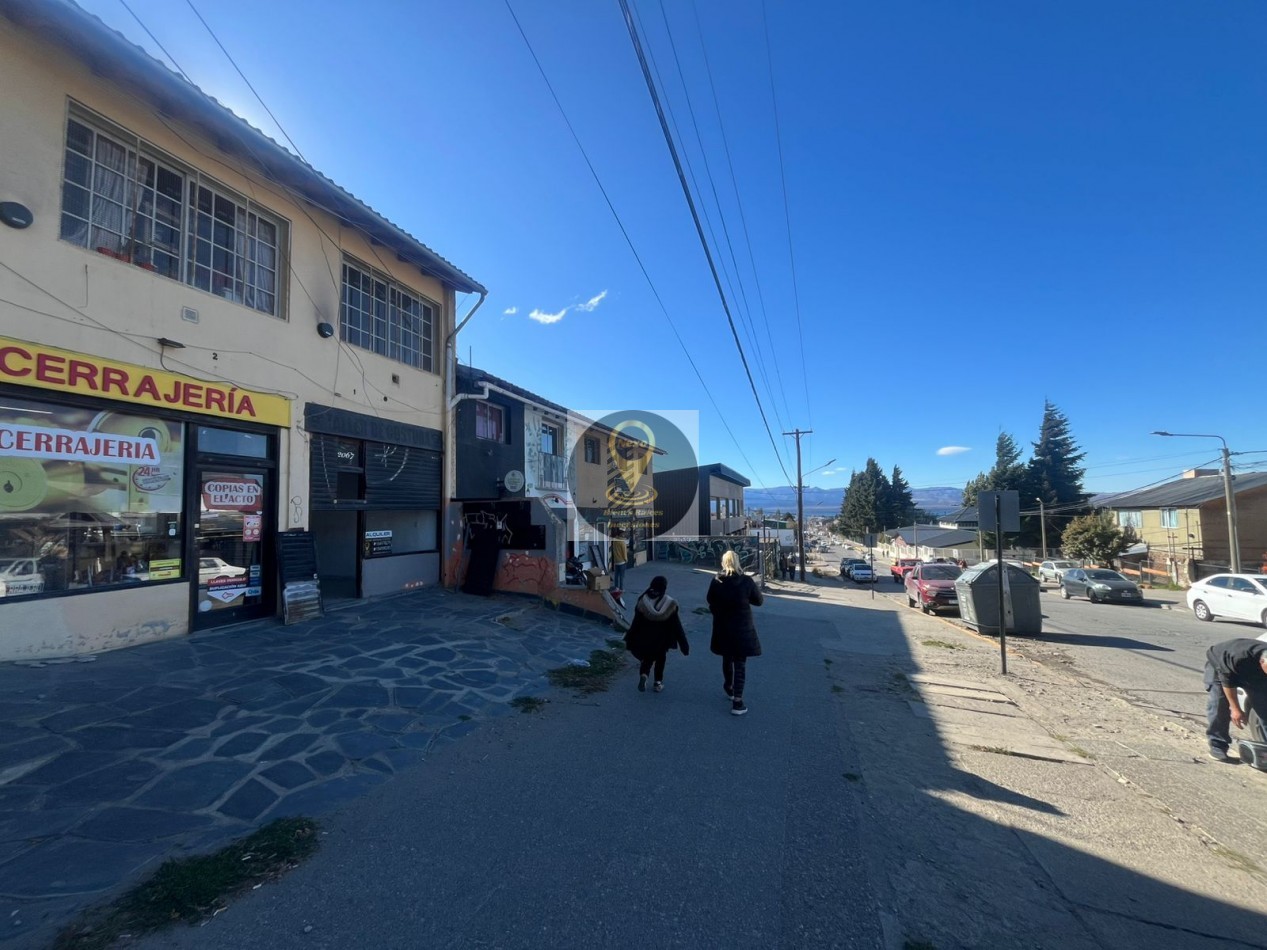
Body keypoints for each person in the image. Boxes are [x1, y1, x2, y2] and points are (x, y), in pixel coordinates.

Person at [708, 549, 764, 716]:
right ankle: (738, 702)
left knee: (727, 658)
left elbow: (710, 599)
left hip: (723, 628)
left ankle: (729, 687)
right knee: (740, 663)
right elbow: (759, 601)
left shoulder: (717, 580)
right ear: (738, 562)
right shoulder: (746, 581)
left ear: (723, 563)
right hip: (742, 629)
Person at [1203, 637, 1267, 763]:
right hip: (1220, 668)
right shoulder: (1238, 656)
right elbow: (1227, 682)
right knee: (1219, 705)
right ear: (1262, 662)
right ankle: (1217, 745)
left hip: (1253, 676)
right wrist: (1235, 709)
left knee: (1264, 708)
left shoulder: (1263, 665)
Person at [624, 575, 689, 693]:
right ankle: (658, 682)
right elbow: (676, 625)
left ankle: (644, 674)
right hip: (662, 639)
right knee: (661, 659)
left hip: (645, 636)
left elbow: (636, 622)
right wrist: (683, 644)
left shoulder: (643, 600)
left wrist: (630, 636)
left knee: (647, 658)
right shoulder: (669, 603)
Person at [609, 528, 628, 594]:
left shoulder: (615, 541)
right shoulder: (622, 542)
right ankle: (621, 588)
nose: (624, 534)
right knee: (622, 576)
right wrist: (626, 559)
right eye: (623, 533)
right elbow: (624, 552)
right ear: (621, 534)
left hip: (616, 561)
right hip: (622, 561)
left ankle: (616, 587)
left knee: (616, 575)